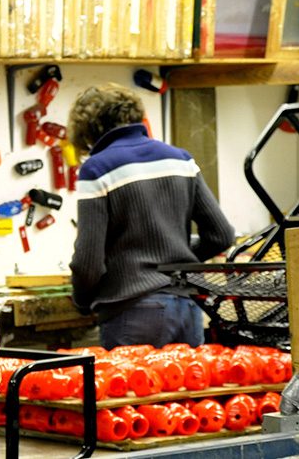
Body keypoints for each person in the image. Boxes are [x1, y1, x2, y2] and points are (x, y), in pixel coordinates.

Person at [67, 83, 235, 350]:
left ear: (88, 128)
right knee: (188, 392)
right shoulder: (181, 159)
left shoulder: (97, 169)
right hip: (187, 307)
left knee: (133, 392)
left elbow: (88, 263)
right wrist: (175, 260)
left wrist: (82, 301)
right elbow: (221, 235)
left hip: (132, 312)